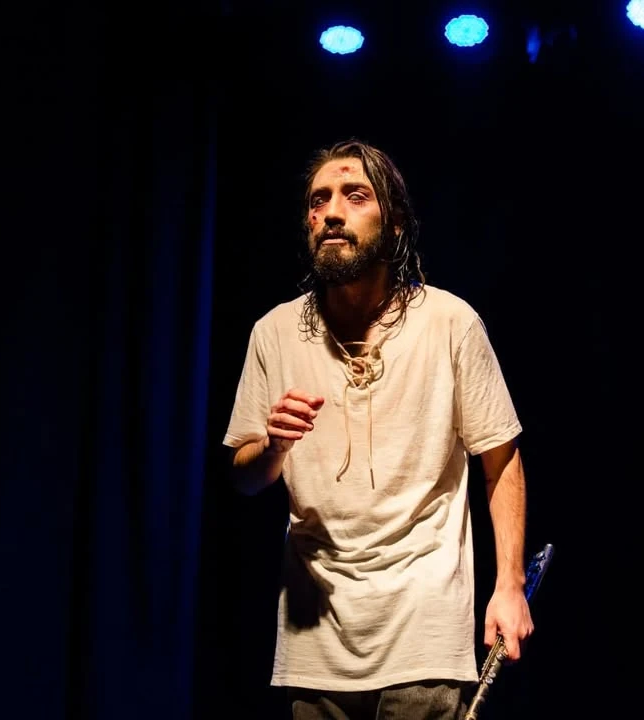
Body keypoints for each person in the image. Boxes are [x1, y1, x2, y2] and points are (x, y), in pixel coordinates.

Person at [222, 139, 534, 719]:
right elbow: (242, 475)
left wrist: (509, 585)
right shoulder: (274, 332)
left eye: (355, 196)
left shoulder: (450, 322)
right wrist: (273, 446)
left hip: (424, 629)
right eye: (318, 200)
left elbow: (501, 460)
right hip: (316, 636)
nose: (331, 212)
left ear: (394, 226)